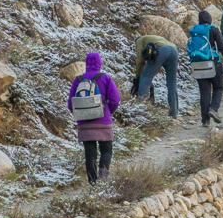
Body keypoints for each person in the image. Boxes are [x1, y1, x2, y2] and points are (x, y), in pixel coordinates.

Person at [68, 51, 120, 184]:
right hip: (104, 123)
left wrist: (82, 115)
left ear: (86, 64)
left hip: (85, 125)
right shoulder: (105, 78)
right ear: (99, 63)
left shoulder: (78, 80)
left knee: (90, 154)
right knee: (106, 151)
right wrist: (107, 112)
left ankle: (92, 182)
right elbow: (115, 99)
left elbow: (71, 104)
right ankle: (103, 180)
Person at [186, 11, 223, 127]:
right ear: (209, 19)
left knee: (204, 92)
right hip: (213, 63)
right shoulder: (213, 29)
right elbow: (222, 46)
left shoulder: (194, 31)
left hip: (197, 65)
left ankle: (205, 120)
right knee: (218, 87)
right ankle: (213, 109)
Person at [132, 32, 179, 116]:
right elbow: (156, 67)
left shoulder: (139, 40)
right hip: (174, 51)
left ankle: (141, 108)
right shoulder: (154, 38)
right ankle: (174, 113)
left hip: (161, 50)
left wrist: (138, 77)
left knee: (145, 78)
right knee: (172, 83)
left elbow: (140, 61)